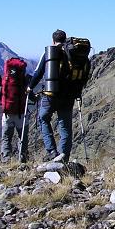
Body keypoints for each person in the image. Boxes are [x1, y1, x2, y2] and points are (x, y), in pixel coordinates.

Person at [27, 29, 75, 162]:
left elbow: (38, 73)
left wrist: (30, 87)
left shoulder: (49, 52)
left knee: (43, 118)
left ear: (53, 40)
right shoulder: (72, 52)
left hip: (51, 95)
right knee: (65, 127)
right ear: (65, 39)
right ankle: (63, 157)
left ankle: (52, 151)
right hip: (68, 96)